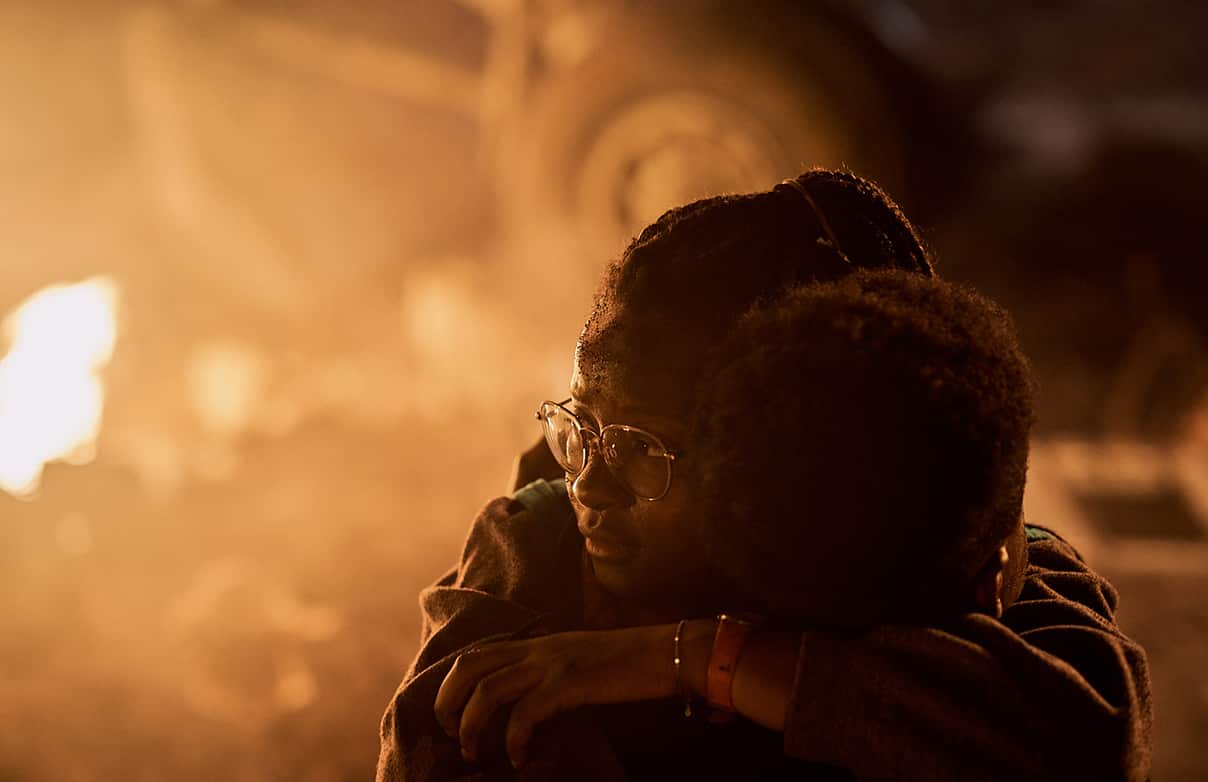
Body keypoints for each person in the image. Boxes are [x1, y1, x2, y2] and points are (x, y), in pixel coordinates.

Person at [376, 171, 1152, 780]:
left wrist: (687, 658)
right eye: (579, 425)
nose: (589, 485)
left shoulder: (916, 550)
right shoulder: (531, 557)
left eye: (644, 447)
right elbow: (439, 747)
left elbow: (1081, 746)